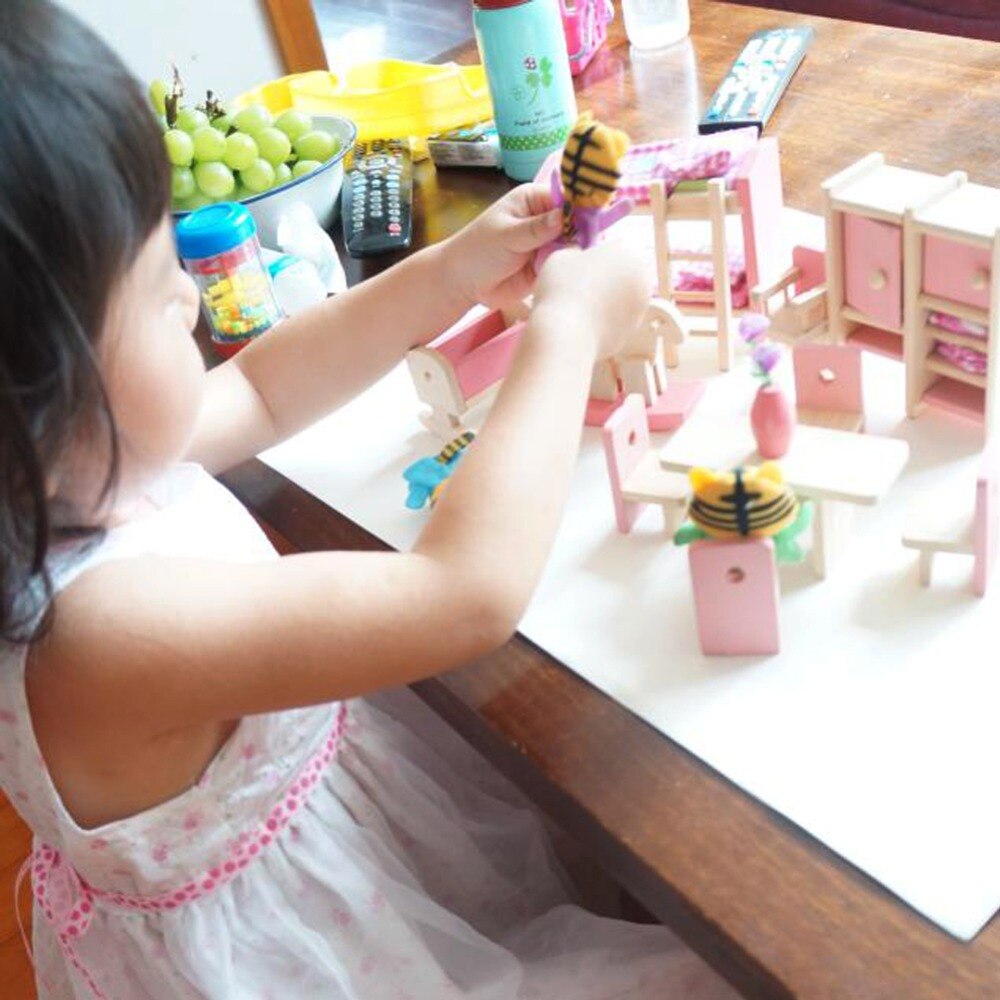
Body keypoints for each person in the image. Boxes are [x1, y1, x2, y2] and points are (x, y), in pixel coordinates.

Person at [0, 2, 739, 997]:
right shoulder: (94, 633)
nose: (194, 295)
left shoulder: (74, 469)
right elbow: (461, 593)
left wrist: (453, 269)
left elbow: (261, 386)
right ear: (37, 392)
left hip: (350, 844)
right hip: (323, 955)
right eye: (156, 283)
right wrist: (568, 327)